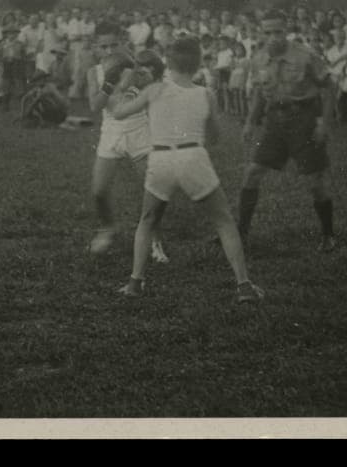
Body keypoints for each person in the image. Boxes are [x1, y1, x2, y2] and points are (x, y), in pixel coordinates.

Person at [111, 37, 264, 303]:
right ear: (196, 64)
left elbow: (119, 113)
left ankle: (135, 283)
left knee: (147, 221)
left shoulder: (154, 90)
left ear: (168, 62)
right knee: (224, 221)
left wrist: (122, 85)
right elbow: (214, 137)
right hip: (193, 156)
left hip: (160, 158)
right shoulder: (205, 93)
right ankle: (244, 286)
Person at [238, 10, 338, 252]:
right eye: (268, 32)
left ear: (287, 30)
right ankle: (240, 232)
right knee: (252, 172)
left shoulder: (305, 56)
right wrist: (250, 122)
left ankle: (328, 236)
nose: (274, 37)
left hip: (303, 119)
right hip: (274, 122)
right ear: (261, 33)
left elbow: (330, 87)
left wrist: (324, 123)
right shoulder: (259, 59)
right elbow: (260, 94)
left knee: (316, 181)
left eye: (279, 32)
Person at [86, 26, 167, 262]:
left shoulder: (137, 66)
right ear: (96, 48)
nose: (109, 50)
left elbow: (154, 91)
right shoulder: (94, 72)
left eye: (114, 45)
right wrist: (109, 81)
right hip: (111, 132)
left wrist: (140, 75)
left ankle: (156, 239)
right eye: (103, 46)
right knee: (99, 190)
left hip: (139, 130)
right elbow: (94, 106)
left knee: (153, 188)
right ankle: (108, 227)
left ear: (124, 43)